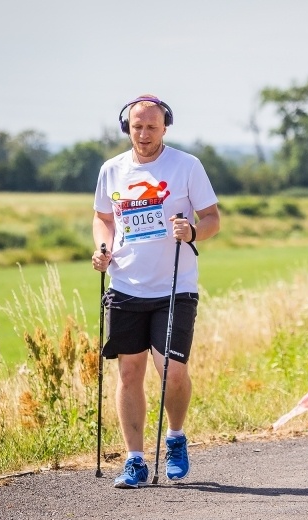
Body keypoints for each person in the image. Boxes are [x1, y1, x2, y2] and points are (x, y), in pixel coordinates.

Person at [92, 94, 220, 488]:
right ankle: (134, 460)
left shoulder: (186, 166)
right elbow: (102, 219)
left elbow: (213, 217)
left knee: (173, 372)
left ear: (165, 127)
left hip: (175, 286)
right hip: (126, 285)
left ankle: (176, 438)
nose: (144, 134)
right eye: (137, 127)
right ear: (126, 128)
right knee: (129, 373)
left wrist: (194, 231)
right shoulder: (112, 170)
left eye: (151, 127)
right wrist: (102, 248)